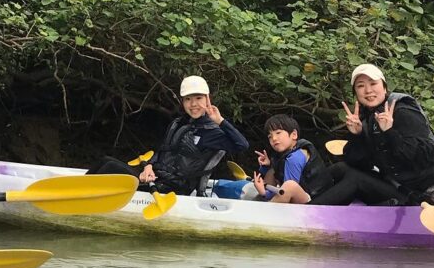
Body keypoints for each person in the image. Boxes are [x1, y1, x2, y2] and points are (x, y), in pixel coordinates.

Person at [88, 75, 249, 195]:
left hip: (173, 189)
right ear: (183, 102)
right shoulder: (179, 124)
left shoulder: (212, 132)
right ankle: (75, 196)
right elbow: (162, 152)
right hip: (155, 179)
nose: (193, 104)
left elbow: (242, 145)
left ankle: (79, 201)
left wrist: (220, 120)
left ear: (208, 99)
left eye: (198, 98)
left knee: (109, 167)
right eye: (188, 99)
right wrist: (149, 166)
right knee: (106, 161)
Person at [312, 63, 434, 206]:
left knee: (356, 180)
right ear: (355, 93)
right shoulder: (368, 119)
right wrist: (357, 135)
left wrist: (389, 132)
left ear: (384, 87)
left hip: (422, 194)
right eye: (360, 86)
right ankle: (301, 197)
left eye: (373, 83)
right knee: (341, 168)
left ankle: (308, 212)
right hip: (395, 185)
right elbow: (357, 163)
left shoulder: (404, 111)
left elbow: (427, 156)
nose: (368, 90)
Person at [251, 115, 329, 203]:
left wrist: (264, 193)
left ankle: (264, 213)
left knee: (289, 186)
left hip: (314, 201)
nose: (274, 138)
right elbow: (277, 176)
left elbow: (286, 191)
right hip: (305, 195)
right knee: (272, 171)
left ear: (294, 134)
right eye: (270, 136)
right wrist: (267, 166)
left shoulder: (295, 158)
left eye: (278, 133)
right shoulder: (285, 154)